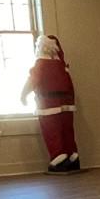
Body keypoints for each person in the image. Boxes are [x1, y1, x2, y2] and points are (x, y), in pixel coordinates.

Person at [22, 33, 80, 172]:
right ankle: (73, 157)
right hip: (67, 104)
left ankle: (58, 158)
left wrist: (23, 95)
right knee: (67, 130)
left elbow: (32, 82)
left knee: (52, 132)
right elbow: (70, 85)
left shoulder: (40, 65)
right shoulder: (61, 66)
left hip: (47, 104)